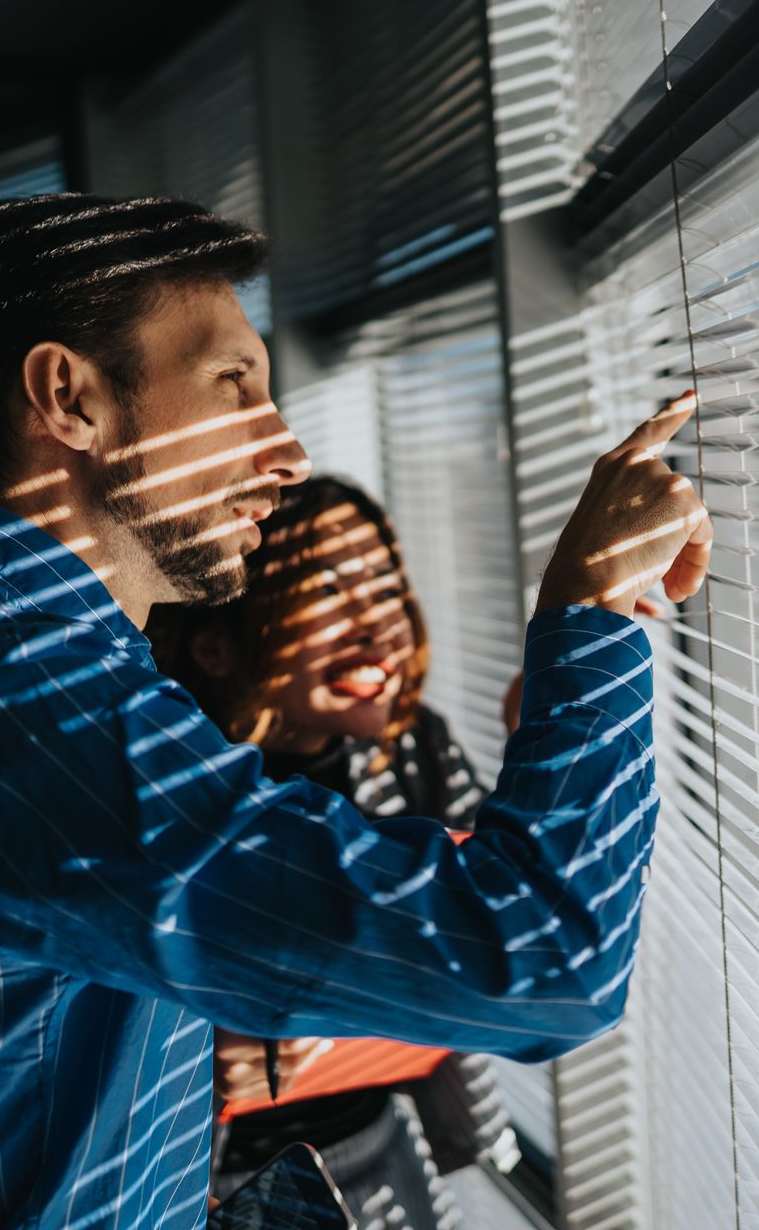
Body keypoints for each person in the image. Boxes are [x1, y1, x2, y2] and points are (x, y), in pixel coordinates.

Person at [0, 193, 711, 1227]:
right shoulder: (15, 707)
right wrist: (591, 609)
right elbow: (547, 955)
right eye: (233, 385)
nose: (285, 452)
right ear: (69, 397)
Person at [146, 474, 516, 1227]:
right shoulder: (164, 789)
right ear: (216, 643)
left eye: (384, 584)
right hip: (206, 1184)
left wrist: (538, 740)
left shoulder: (413, 753)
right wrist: (189, 1062)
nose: (379, 625)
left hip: (378, 1151)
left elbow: (509, 922)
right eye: (327, 591)